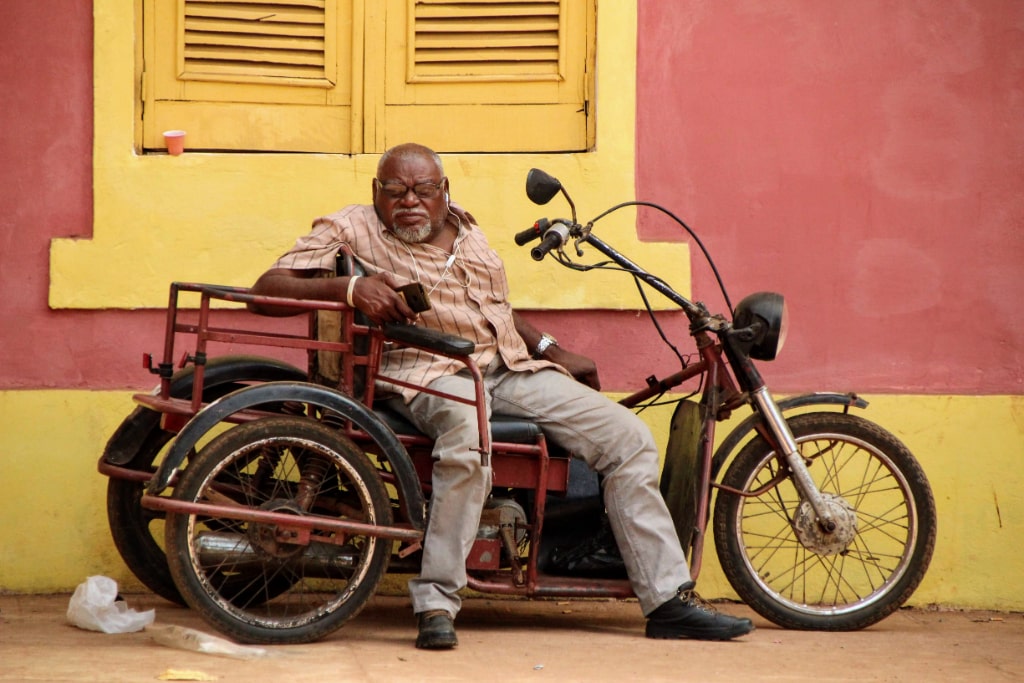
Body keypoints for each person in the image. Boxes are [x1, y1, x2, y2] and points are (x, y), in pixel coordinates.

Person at [250, 143, 755, 649]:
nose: (410, 201)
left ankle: (666, 601)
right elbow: (266, 288)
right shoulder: (350, 227)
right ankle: (436, 603)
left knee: (629, 438)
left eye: (423, 190)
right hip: (427, 371)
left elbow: (494, 309)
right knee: (470, 444)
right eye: (396, 190)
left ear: (443, 192)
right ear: (375, 193)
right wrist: (349, 290)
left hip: (509, 366)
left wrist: (551, 349)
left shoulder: (467, 228)